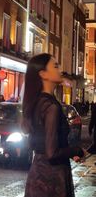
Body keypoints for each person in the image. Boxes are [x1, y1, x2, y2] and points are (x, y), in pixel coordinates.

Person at [22, 53, 86, 197]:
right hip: (52, 178)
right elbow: (52, 153)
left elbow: (41, 143)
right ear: (43, 74)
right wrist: (77, 150)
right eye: (55, 66)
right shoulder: (51, 107)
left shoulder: (36, 102)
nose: (60, 70)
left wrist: (68, 151)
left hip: (36, 173)